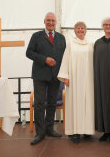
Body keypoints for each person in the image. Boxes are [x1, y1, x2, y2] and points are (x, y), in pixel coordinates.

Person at [26, 12, 66, 145]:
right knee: (39, 104)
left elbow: (64, 57)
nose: (50, 23)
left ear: (56, 23)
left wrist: (64, 74)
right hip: (40, 75)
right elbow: (29, 53)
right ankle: (40, 133)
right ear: (44, 21)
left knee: (52, 103)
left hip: (55, 76)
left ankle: (49, 129)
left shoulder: (61, 38)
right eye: (48, 20)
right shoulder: (36, 36)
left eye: (53, 21)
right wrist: (44, 59)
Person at [58, 21, 95, 143]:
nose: (80, 30)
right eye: (78, 28)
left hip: (88, 79)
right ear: (75, 30)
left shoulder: (90, 43)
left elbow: (94, 61)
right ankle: (75, 132)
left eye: (82, 28)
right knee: (74, 104)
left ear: (85, 30)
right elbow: (65, 60)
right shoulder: (70, 44)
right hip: (74, 79)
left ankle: (87, 131)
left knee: (88, 104)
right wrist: (65, 77)